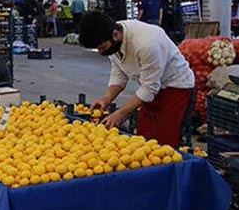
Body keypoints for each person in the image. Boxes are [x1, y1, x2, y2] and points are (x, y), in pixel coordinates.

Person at [79, 11, 194, 147]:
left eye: (103, 48)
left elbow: (149, 88)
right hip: (151, 89)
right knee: (143, 139)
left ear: (115, 35)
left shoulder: (147, 43)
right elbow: (119, 73)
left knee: (164, 142)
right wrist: (107, 98)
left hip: (175, 87)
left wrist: (120, 113)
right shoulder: (111, 35)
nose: (101, 52)